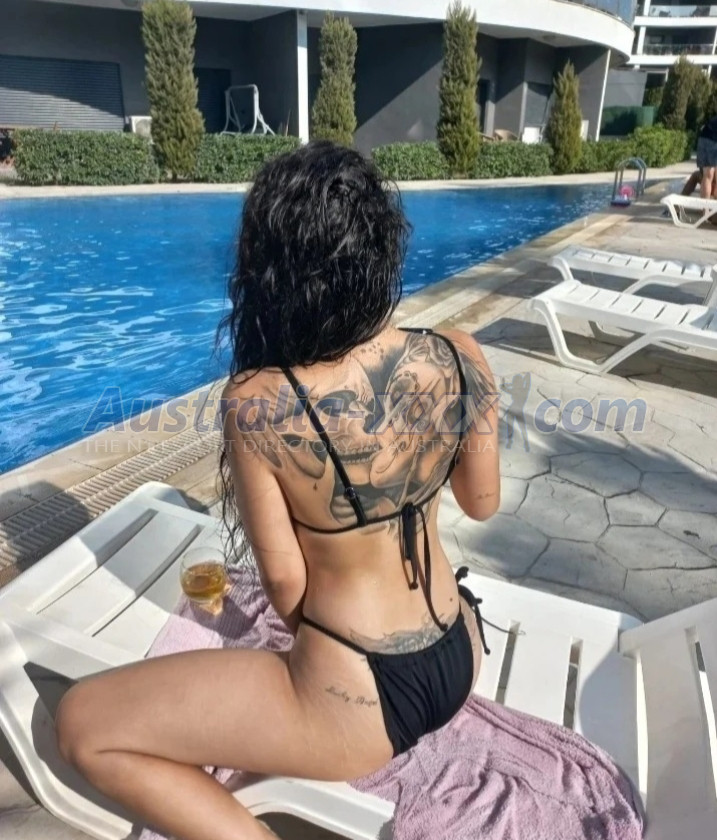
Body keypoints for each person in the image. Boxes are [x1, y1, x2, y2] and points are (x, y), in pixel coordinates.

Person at [53, 141, 501, 840]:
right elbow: (482, 502)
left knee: (84, 723)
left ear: (274, 272)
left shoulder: (258, 402)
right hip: (460, 648)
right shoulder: (458, 352)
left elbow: (288, 587)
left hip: (360, 697)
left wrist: (307, 673)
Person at [697, 114, 717, 199]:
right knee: (709, 175)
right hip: (713, 140)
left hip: (703, 138)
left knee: (707, 175)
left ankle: (704, 206)